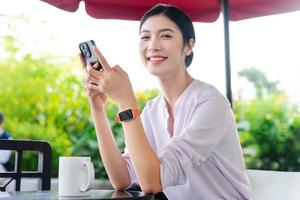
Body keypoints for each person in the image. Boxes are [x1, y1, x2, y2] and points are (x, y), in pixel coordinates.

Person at [80, 4, 253, 200]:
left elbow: (152, 182)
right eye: (145, 37)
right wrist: (97, 109)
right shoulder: (152, 110)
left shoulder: (211, 104)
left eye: (166, 36)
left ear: (189, 46)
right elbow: (123, 179)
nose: (153, 45)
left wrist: (125, 100)